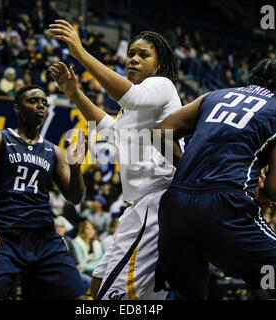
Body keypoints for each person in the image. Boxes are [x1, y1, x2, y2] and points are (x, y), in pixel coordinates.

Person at [49, 20, 182, 300]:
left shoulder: (161, 85)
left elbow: (131, 97)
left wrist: (81, 53)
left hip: (157, 204)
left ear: (159, 65)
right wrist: (74, 93)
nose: (133, 58)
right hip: (138, 209)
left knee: (114, 297)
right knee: (97, 287)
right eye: (131, 53)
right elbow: (108, 128)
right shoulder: (133, 110)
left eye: (143, 55)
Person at [153, 58, 276, 300]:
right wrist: (262, 190)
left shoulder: (215, 95)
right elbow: (273, 190)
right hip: (224, 209)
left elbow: (160, 132)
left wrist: (187, 168)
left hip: (175, 206)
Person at [0, 84, 88, 300]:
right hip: (4, 235)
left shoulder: (53, 151)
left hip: (43, 239)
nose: (41, 105)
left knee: (81, 299)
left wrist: (75, 166)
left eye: (44, 102)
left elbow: (74, 197)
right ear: (17, 108)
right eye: (34, 101)